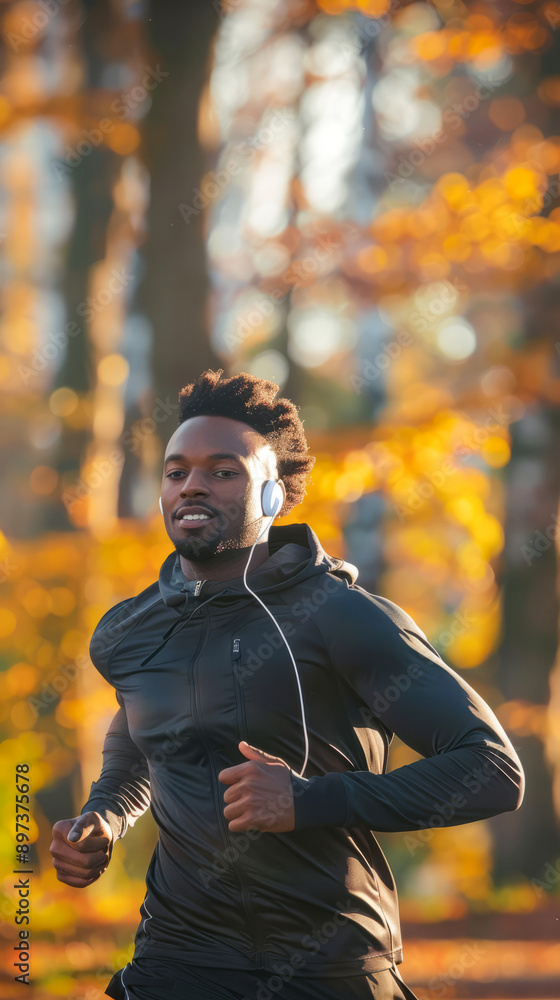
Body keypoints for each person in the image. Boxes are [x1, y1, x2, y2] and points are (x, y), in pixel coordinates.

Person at [49, 369, 525, 1000]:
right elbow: (140, 745)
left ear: (274, 495)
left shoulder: (343, 615)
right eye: (176, 471)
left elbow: (492, 771)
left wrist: (309, 801)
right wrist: (104, 817)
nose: (193, 484)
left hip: (328, 969)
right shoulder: (132, 632)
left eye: (224, 471)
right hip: (175, 964)